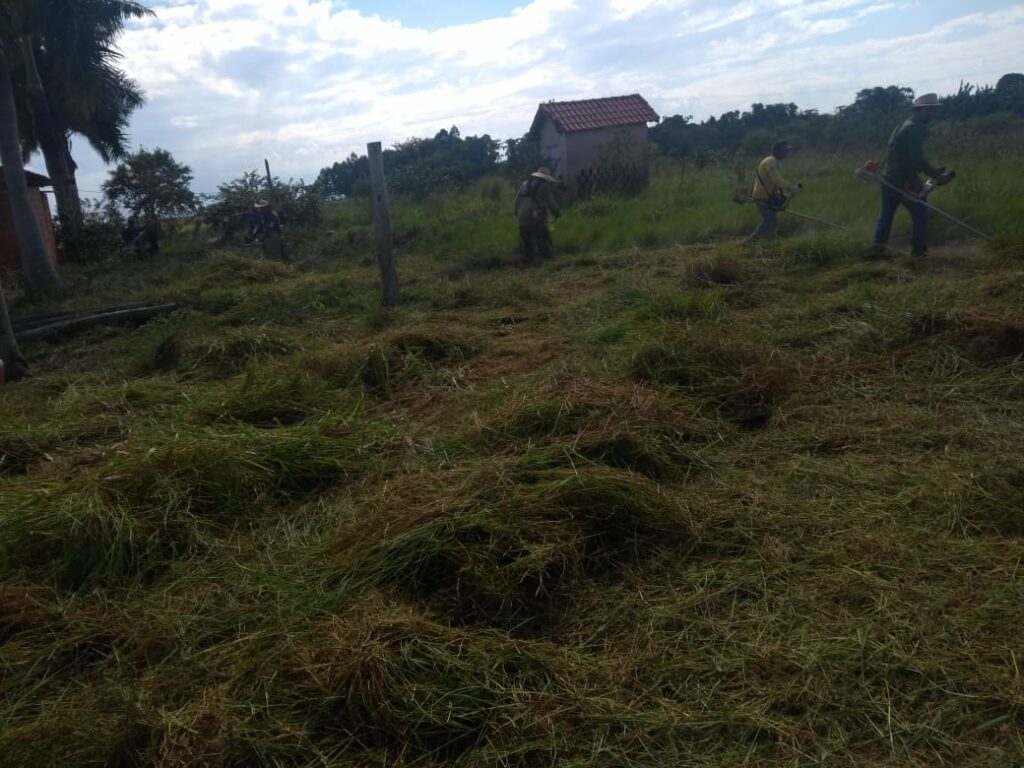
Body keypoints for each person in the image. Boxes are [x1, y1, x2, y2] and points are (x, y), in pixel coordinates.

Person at [872, 93, 954, 258]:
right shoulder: (917, 129)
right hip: (905, 179)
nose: (934, 115)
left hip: (888, 177)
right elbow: (918, 159)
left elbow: (902, 156)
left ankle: (877, 250)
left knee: (886, 215)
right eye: (932, 111)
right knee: (920, 214)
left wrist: (932, 169)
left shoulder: (902, 126)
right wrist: (938, 177)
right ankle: (918, 252)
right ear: (923, 110)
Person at [749, 140, 801, 241]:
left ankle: (770, 240)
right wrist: (790, 187)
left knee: (772, 221)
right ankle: (751, 240)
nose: (787, 153)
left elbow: (773, 183)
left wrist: (783, 194)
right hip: (762, 196)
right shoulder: (770, 161)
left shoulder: (772, 161)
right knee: (769, 221)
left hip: (767, 196)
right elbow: (776, 179)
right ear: (778, 151)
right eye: (785, 151)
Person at [515, 166, 560, 266]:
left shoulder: (524, 184)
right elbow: (550, 202)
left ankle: (528, 261)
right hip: (535, 216)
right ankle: (545, 257)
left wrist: (517, 214)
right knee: (543, 235)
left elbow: (517, 201)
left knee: (527, 243)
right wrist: (556, 213)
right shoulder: (544, 186)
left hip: (522, 217)